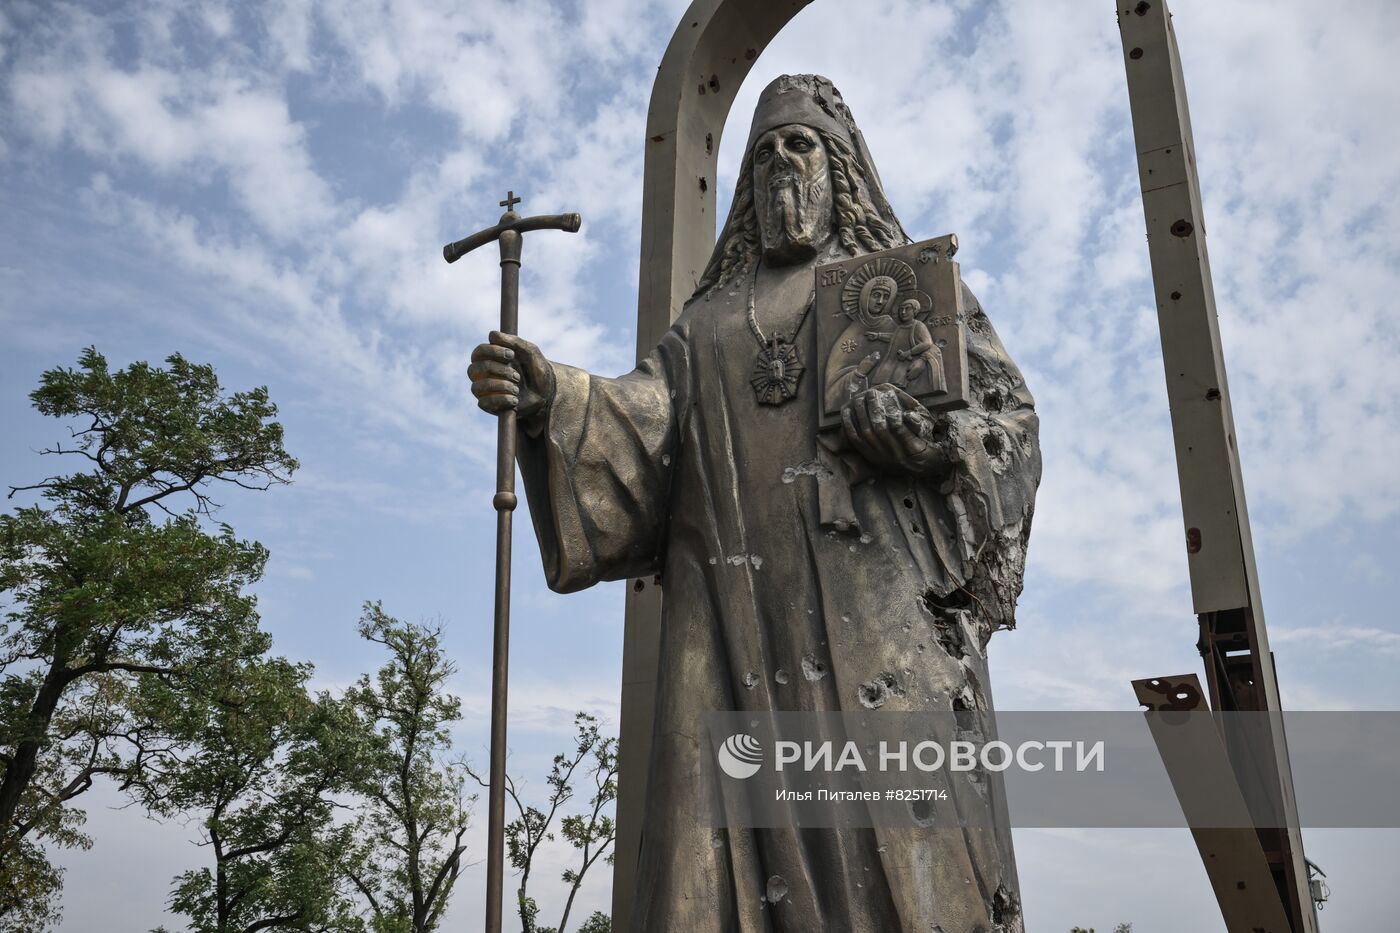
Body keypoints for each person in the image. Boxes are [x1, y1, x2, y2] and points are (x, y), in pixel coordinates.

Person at [469, 74, 1040, 933]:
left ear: (839, 167)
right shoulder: (705, 327)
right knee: (705, 852)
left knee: (905, 850)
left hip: (874, 620)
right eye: (764, 149)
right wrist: (553, 394)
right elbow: (642, 428)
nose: (781, 162)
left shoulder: (909, 291)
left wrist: (926, 442)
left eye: (800, 144)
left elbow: (1010, 427)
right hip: (727, 617)